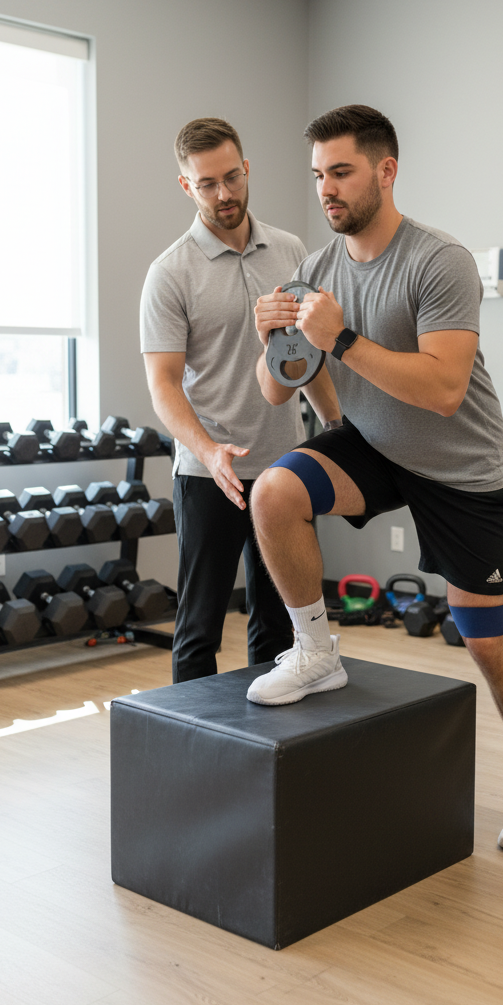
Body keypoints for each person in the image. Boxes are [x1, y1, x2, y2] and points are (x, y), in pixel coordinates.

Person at [249, 104, 503, 852]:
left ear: (385, 171)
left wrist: (343, 339)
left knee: (484, 637)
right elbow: (276, 389)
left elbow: (442, 389)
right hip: (375, 444)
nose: (327, 189)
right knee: (275, 492)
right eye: (319, 175)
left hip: (461, 467)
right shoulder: (317, 272)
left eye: (342, 172)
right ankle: (316, 650)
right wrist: (270, 339)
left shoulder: (439, 261)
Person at [140, 116, 340, 682]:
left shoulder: (290, 249)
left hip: (284, 471)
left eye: (232, 177)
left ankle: (268, 755)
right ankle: (195, 758)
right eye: (208, 184)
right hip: (211, 476)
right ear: (187, 186)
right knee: (199, 627)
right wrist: (207, 452)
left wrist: (336, 424)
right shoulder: (170, 273)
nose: (224, 194)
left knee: (280, 625)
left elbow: (305, 356)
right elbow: (163, 388)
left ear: (247, 168)